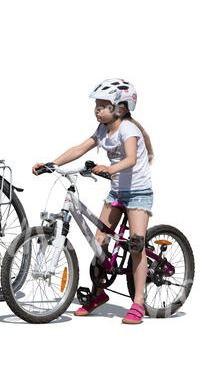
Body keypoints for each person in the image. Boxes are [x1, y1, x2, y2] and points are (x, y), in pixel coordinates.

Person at [32, 78, 154, 324]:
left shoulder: (129, 129)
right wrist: (51, 163)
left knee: (136, 245)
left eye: (102, 105)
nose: (97, 109)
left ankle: (138, 301)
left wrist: (109, 168)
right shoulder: (102, 130)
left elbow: (130, 159)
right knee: (99, 242)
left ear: (119, 108)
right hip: (117, 193)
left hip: (139, 193)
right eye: (96, 105)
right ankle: (98, 294)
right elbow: (80, 148)